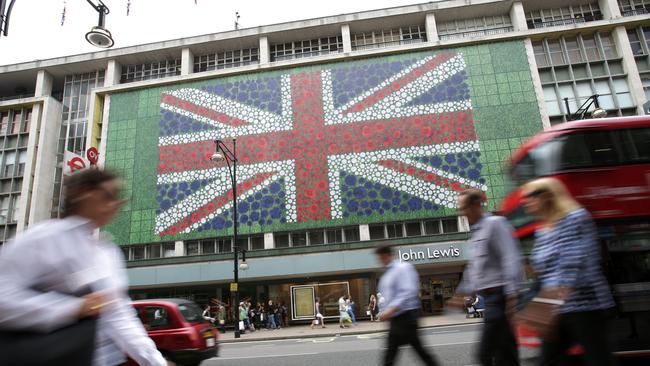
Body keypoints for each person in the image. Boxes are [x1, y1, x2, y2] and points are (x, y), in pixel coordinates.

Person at [0, 169, 172, 366]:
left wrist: (156, 362)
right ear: (81, 193)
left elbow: (120, 318)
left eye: (120, 198)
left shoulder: (106, 253)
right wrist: (73, 308)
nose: (115, 204)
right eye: (109, 195)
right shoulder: (43, 239)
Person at [522, 178, 615, 366]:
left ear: (547, 196)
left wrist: (547, 307)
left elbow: (573, 265)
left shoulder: (575, 218)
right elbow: (544, 274)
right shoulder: (542, 230)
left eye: (530, 196)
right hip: (559, 308)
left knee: (598, 360)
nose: (525, 201)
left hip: (586, 306)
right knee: (548, 361)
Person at [451, 188, 523, 366]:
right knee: (505, 354)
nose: (462, 213)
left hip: (500, 298)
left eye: (464, 208)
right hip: (490, 299)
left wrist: (513, 295)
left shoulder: (495, 224)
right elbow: (475, 269)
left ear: (476, 206)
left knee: (484, 354)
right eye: (460, 209)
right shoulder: (476, 233)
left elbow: (510, 257)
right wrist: (461, 293)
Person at [375, 245, 439, 366]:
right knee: (413, 351)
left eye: (381, 257)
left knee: (393, 354)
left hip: (407, 316)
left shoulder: (403, 268)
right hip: (396, 318)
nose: (380, 261)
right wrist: (386, 313)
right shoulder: (386, 275)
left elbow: (408, 292)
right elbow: (387, 298)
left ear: (387, 255)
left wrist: (390, 310)